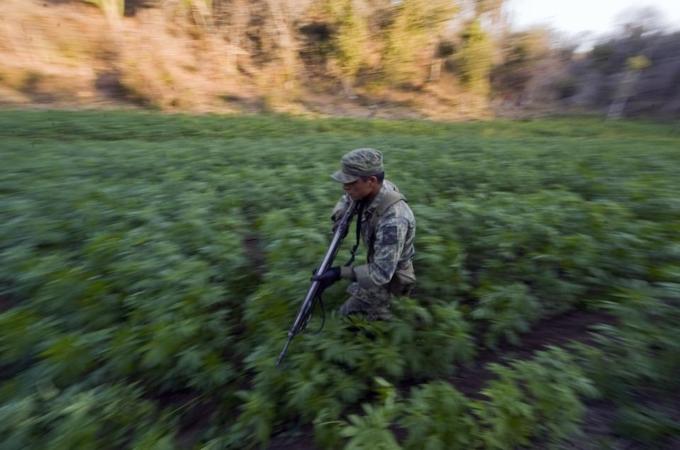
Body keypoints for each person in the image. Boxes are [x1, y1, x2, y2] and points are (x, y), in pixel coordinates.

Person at [313, 148, 416, 320]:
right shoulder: (373, 188)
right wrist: (340, 217)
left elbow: (381, 273)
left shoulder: (394, 220)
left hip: (391, 281)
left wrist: (338, 273)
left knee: (345, 320)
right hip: (377, 266)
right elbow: (346, 199)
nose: (345, 187)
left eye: (350, 182)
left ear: (372, 181)